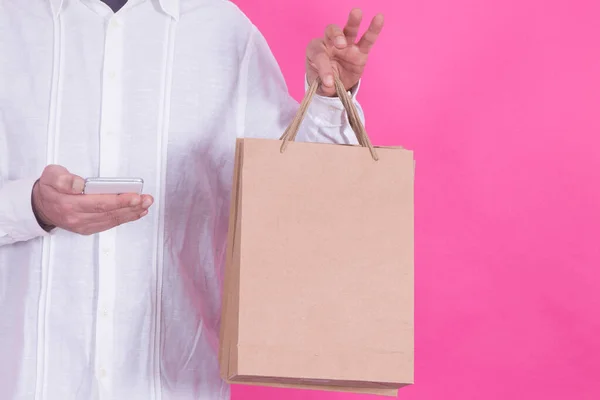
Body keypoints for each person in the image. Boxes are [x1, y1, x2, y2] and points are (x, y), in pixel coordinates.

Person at [0, 0, 383, 398]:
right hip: (26, 378)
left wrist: (330, 96)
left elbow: (304, 189)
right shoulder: (9, 24)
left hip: (174, 384)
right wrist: (32, 208)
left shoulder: (222, 28)